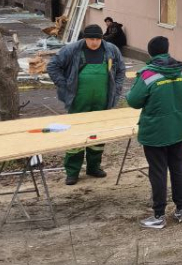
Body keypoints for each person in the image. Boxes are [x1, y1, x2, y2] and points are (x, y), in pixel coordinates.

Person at [48, 23, 126, 185]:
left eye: (97, 39)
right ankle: (72, 171)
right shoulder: (72, 50)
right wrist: (64, 85)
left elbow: (121, 71)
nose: (94, 42)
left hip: (102, 101)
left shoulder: (111, 50)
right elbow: (53, 66)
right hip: (79, 101)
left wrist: (117, 88)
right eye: (91, 39)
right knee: (76, 135)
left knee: (97, 135)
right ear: (85, 38)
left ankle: (93, 167)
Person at [126, 36, 182, 230]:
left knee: (158, 171)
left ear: (150, 52)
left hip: (155, 132)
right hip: (177, 128)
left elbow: (133, 101)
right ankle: (181, 210)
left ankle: (159, 215)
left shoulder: (147, 74)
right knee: (177, 168)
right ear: (167, 50)